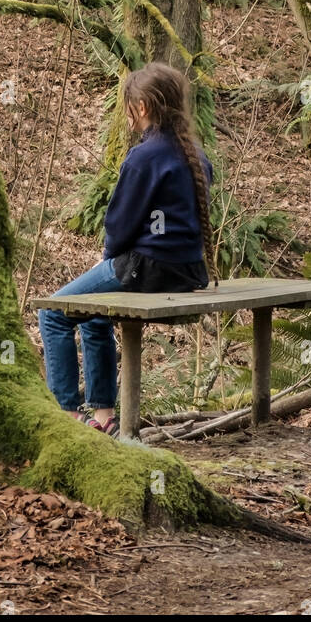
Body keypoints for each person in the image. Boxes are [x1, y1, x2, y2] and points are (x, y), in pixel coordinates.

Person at [38, 62, 216, 437]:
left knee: (54, 312)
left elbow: (119, 226)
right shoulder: (196, 155)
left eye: (130, 105)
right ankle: (104, 415)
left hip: (145, 268)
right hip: (187, 271)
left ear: (144, 107)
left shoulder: (144, 156)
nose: (128, 113)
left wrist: (109, 261)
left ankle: (68, 414)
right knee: (96, 315)